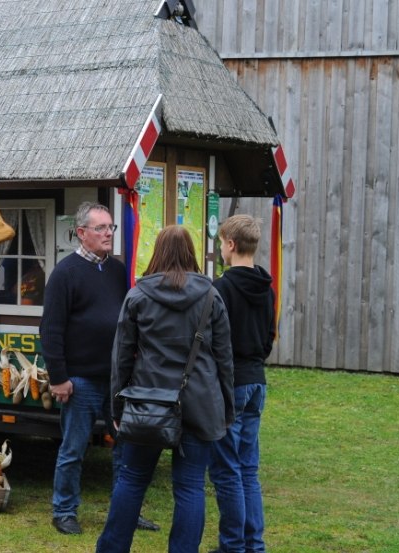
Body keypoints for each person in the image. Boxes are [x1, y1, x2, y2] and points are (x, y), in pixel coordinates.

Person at [97, 225, 235, 553]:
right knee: (189, 488)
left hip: (148, 403)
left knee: (132, 481)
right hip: (200, 405)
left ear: (157, 252)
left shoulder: (138, 295)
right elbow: (224, 359)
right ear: (191, 253)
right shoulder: (211, 295)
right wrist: (227, 409)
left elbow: (120, 359)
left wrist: (117, 409)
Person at [40, 201, 157, 536]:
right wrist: (59, 377)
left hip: (119, 380)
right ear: (81, 233)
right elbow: (51, 329)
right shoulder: (65, 273)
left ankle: (127, 513)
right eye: (101, 228)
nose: (108, 234)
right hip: (80, 380)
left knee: (125, 448)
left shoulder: (120, 271)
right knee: (73, 450)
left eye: (111, 228)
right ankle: (64, 511)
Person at [209, 215, 275, 553]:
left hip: (230, 385)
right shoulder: (266, 287)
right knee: (248, 469)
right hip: (256, 382)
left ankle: (233, 545)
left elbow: (211, 341)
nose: (220, 249)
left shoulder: (219, 289)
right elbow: (268, 339)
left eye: (221, 243)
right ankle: (254, 544)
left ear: (231, 245)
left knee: (226, 471)